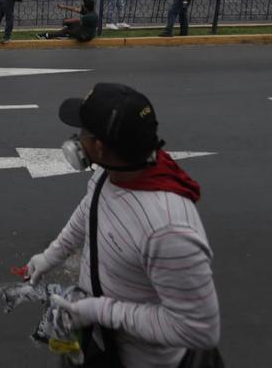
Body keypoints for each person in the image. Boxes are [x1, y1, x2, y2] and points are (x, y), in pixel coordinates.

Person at [24, 83, 220, 367]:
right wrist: (50, 256)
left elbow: (199, 329)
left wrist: (99, 310)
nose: (77, 138)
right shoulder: (114, 172)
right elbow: (89, 210)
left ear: (100, 148)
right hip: (95, 340)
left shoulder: (168, 229)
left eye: (83, 132)